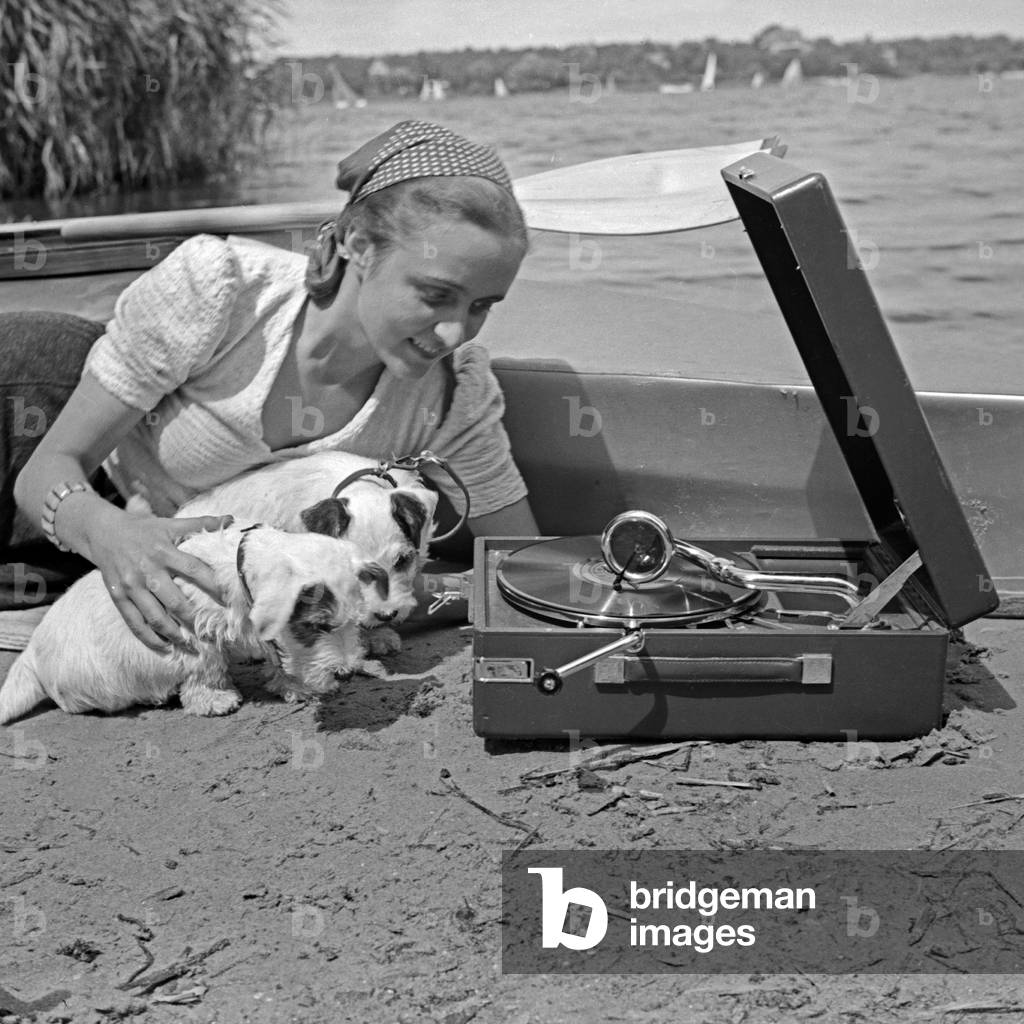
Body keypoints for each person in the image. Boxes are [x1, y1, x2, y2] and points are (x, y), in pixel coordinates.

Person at [4, 120, 538, 655]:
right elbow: (44, 471)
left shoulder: (453, 391)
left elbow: (521, 561)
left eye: (482, 305)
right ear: (360, 244)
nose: (455, 331)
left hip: (155, 573)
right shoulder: (222, 290)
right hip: (45, 445)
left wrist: (413, 590)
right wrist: (115, 538)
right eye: (435, 293)